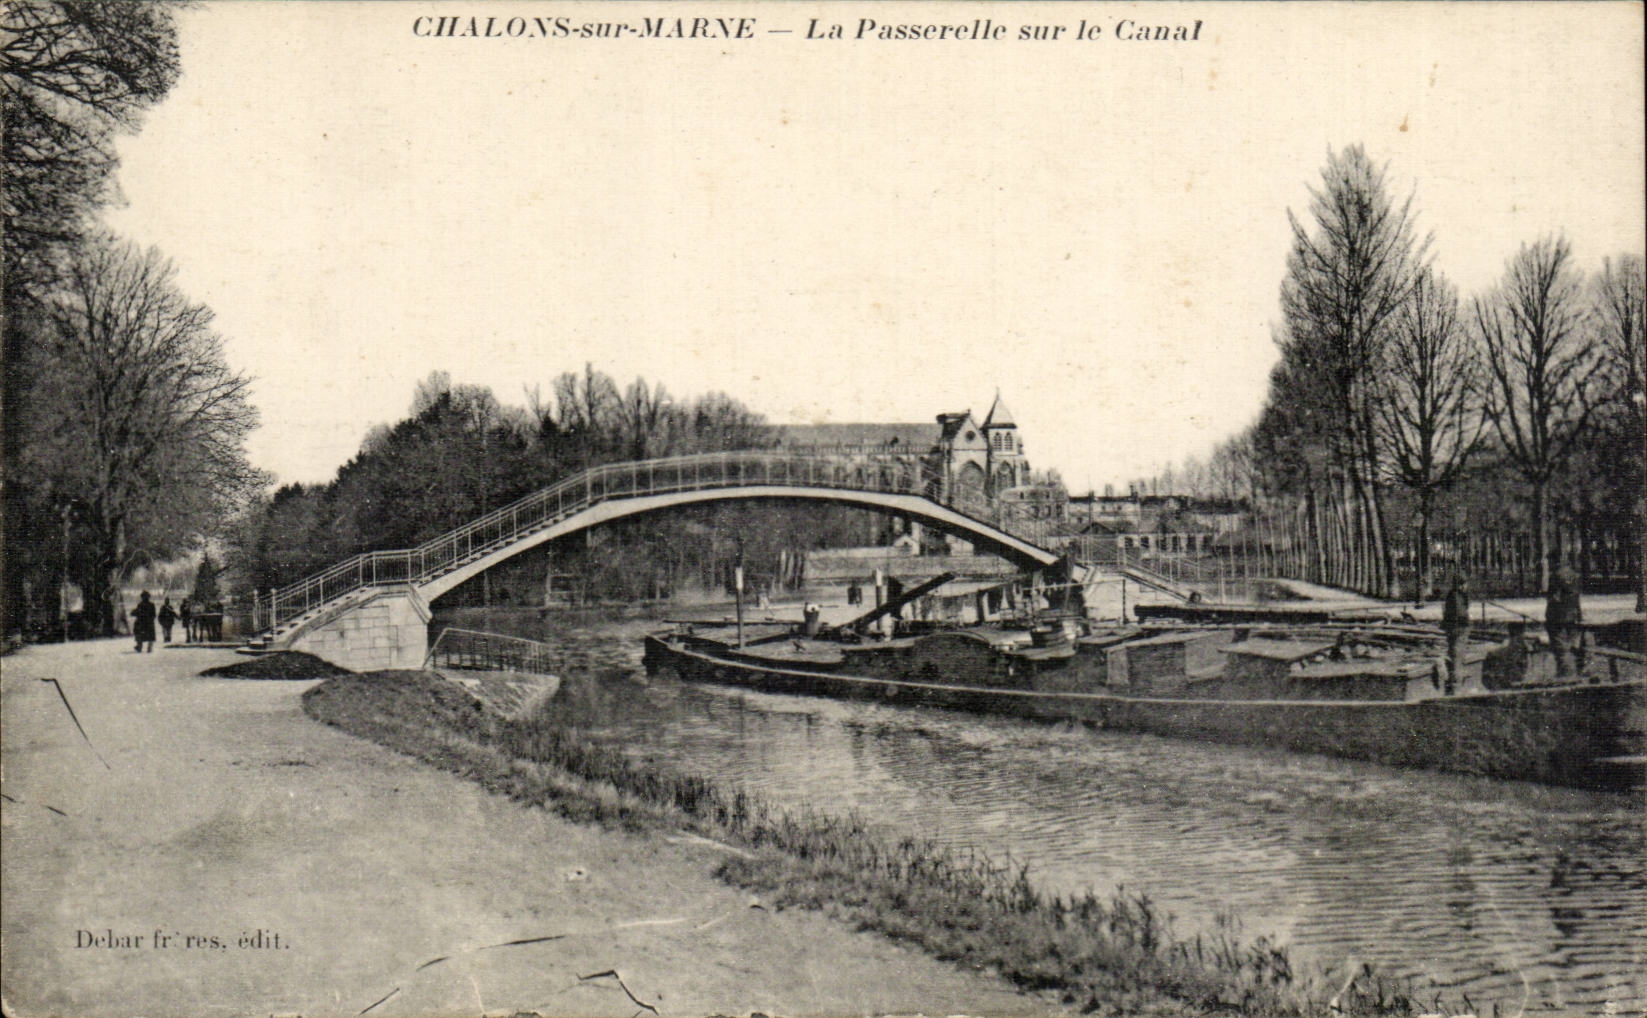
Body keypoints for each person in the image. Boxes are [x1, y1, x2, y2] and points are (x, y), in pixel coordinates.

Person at [1546, 565, 1583, 678]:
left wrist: (1549, 613)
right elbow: (1576, 597)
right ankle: (1572, 673)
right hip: (1572, 617)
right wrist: (1579, 614)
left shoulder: (1555, 576)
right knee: (1570, 647)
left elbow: (1555, 598)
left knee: (1561, 649)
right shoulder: (1574, 575)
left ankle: (1566, 675)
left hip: (1557, 618)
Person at [1440, 575, 1470, 694]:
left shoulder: (1455, 595)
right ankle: (1456, 686)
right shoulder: (1456, 596)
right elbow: (1460, 614)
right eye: (1465, 584)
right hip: (1458, 630)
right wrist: (1466, 622)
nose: (1467, 587)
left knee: (1456, 656)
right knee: (1457, 657)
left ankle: (1455, 682)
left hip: (1456, 630)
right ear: (1461, 585)